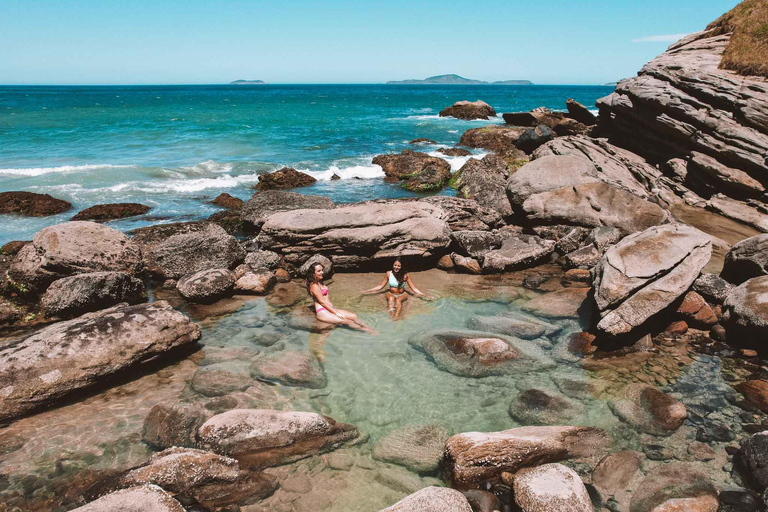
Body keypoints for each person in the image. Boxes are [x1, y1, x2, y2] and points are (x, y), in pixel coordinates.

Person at [307, 262, 375, 333]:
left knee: (353, 316)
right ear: (313, 274)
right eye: (319, 271)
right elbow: (322, 302)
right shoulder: (314, 286)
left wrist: (333, 310)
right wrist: (336, 313)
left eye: (322, 270)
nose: (322, 272)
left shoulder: (320, 282)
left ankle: (368, 327)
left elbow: (327, 297)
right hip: (323, 312)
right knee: (348, 321)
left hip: (330, 309)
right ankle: (367, 331)